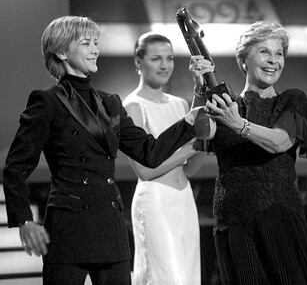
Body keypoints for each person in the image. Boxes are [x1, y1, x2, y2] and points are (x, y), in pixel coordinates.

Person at [2, 16, 202, 285]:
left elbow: (150, 152)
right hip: (68, 230)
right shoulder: (47, 102)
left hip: (111, 229)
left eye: (96, 42)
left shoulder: (110, 103)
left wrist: (190, 119)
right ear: (61, 52)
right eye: (86, 43)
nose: (95, 49)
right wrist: (24, 221)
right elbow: (15, 168)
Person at [189, 21, 307, 284]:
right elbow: (198, 141)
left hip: (280, 217)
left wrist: (238, 124)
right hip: (234, 221)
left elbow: (280, 142)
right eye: (264, 52)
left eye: (279, 53)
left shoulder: (291, 100)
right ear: (243, 60)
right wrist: (199, 90)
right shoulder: (228, 103)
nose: (273, 60)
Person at [122, 32, 202, 285]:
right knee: (165, 277)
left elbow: (193, 161)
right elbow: (144, 172)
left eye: (169, 58)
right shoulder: (133, 106)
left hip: (184, 198)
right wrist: (188, 151)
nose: (164, 65)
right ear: (138, 62)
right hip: (155, 202)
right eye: (156, 58)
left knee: (188, 277)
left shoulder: (179, 104)